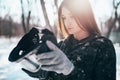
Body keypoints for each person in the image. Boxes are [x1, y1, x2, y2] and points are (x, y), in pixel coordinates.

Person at [22, 0, 116, 80]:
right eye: (64, 18)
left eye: (72, 16)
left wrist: (70, 70)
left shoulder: (102, 46)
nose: (67, 22)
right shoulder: (61, 45)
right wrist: (40, 71)